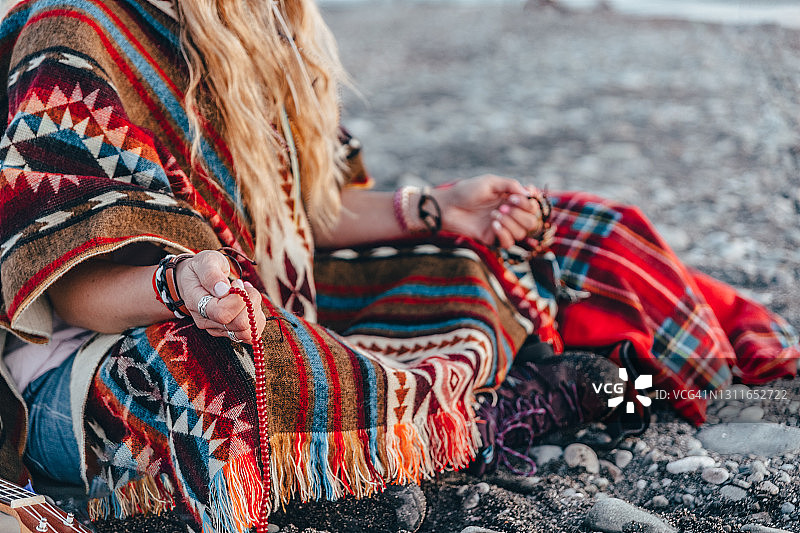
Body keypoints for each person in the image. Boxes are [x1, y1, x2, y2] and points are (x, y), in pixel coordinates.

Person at [0, 0, 797, 532]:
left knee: (528, 243)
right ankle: (492, 409)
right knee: (216, 379)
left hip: (258, 299)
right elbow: (67, 281)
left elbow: (300, 212)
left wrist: (439, 208)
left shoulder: (266, 22)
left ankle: (499, 408)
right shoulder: (78, 27)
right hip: (100, 349)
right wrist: (180, 286)